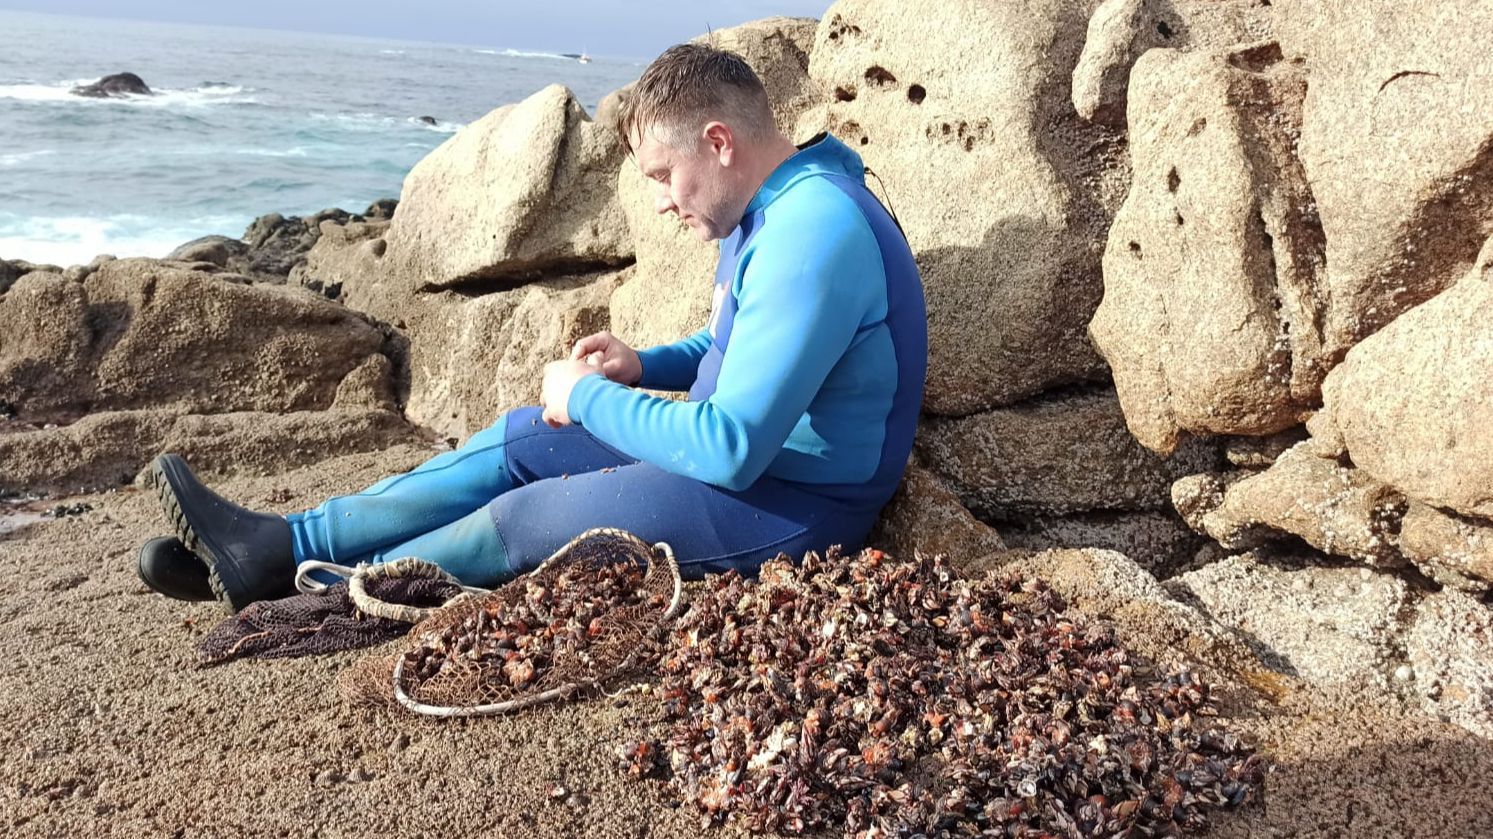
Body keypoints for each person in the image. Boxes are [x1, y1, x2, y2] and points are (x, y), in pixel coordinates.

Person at [138, 43, 928, 612]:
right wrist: (640, 364)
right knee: (523, 440)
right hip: (738, 460)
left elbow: (730, 446)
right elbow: (737, 349)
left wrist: (585, 397)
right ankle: (280, 544)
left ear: (718, 142)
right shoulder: (775, 212)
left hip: (793, 506)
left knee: (522, 521)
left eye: (662, 174)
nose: (659, 199)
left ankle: (321, 596)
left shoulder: (812, 232)